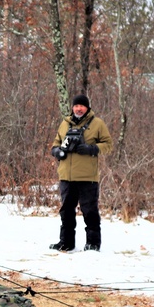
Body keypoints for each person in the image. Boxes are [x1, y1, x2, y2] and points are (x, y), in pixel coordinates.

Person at [49, 93, 113, 252]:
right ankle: (66, 243)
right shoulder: (65, 123)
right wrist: (57, 152)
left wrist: (92, 149)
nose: (79, 108)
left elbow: (108, 144)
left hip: (87, 177)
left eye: (82, 106)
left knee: (90, 211)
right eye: (76, 105)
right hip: (66, 176)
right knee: (66, 212)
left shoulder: (97, 124)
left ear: (87, 107)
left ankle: (92, 244)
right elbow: (55, 144)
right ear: (72, 107)